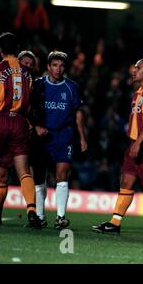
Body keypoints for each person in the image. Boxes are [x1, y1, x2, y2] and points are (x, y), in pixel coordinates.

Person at [92, 59, 143, 237]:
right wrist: (133, 143)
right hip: (135, 144)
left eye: (138, 68)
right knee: (126, 181)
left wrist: (138, 143)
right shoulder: (137, 93)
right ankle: (115, 222)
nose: (134, 70)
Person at [28, 51, 88, 229]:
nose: (58, 69)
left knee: (62, 174)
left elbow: (78, 113)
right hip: (42, 136)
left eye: (61, 66)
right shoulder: (38, 85)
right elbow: (28, 108)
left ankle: (60, 217)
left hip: (64, 135)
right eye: (54, 65)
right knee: (39, 177)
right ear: (48, 67)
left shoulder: (71, 87)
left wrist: (82, 138)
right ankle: (40, 216)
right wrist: (35, 127)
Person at [0, 32, 40, 228]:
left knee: (0, 171)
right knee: (21, 170)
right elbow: (29, 103)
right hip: (20, 122)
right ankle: (31, 210)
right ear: (17, 48)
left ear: (0, 49)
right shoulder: (27, 72)